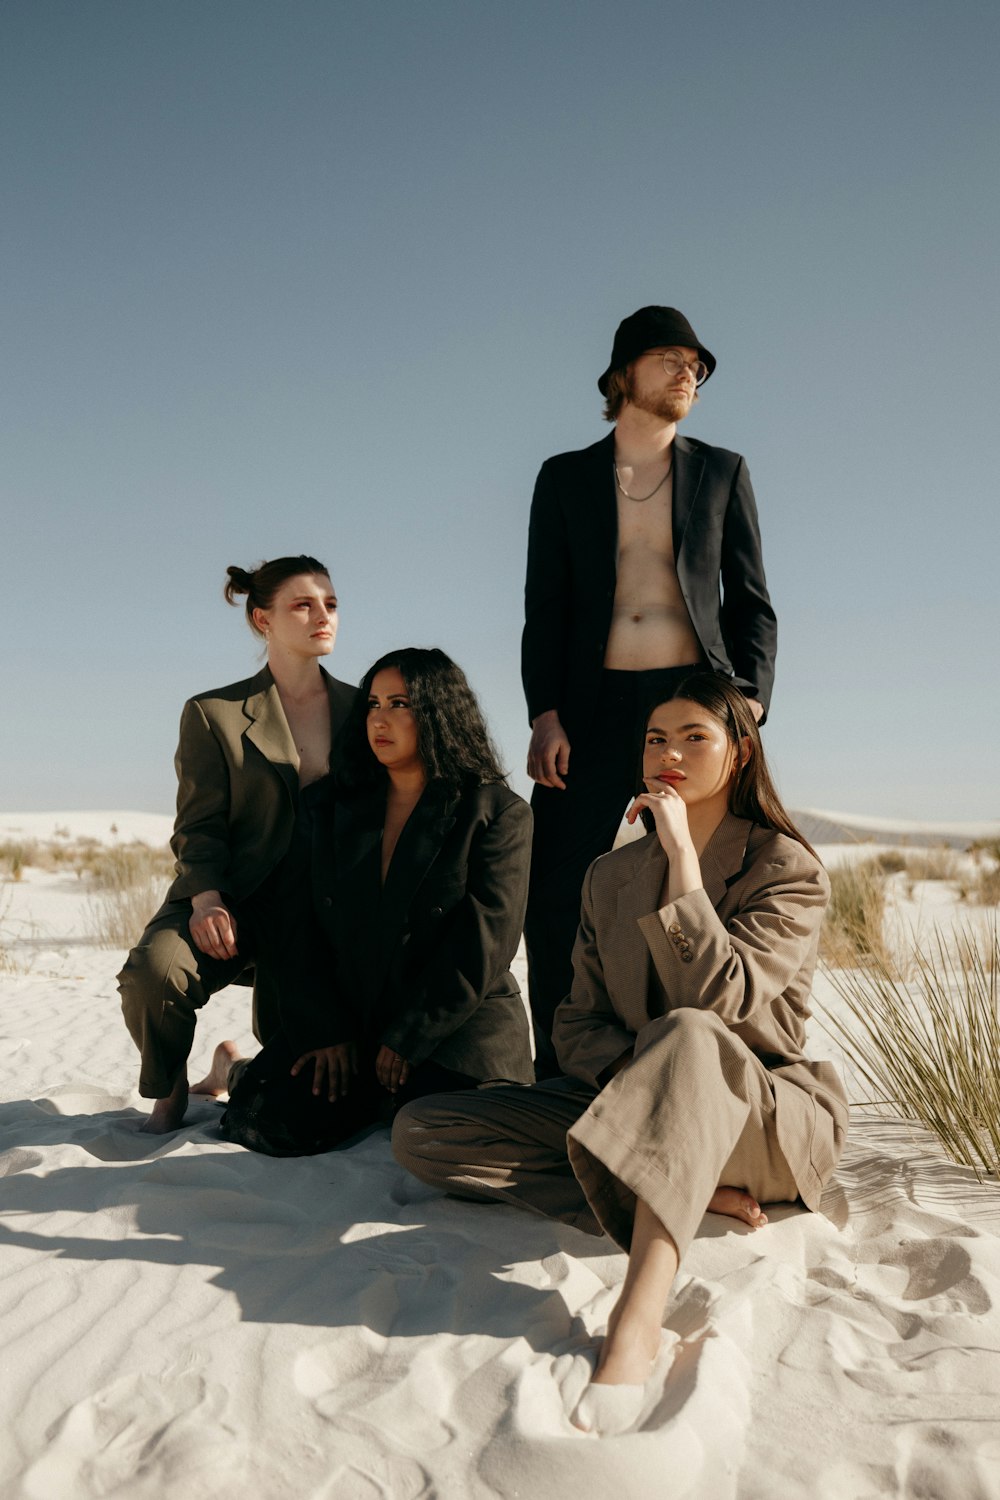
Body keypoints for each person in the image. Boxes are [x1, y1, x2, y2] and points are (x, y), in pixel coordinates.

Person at [393, 672, 847, 1436]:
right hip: (628, 1097)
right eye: (655, 739)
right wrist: (642, 1084)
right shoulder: (609, 876)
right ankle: (676, 1183)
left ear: (738, 754)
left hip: (762, 1121)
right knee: (424, 1132)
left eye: (693, 737)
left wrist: (682, 865)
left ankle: (636, 1322)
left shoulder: (787, 868)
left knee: (690, 1034)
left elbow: (720, 1002)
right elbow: (575, 1024)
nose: (669, 753)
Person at [522, 305, 778, 1074]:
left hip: (693, 703)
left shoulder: (723, 471)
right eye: (671, 358)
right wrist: (544, 713)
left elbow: (752, 600)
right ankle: (559, 1074)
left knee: (711, 877)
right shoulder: (564, 477)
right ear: (622, 373)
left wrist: (751, 702)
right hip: (590, 708)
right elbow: (546, 606)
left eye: (696, 365)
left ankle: (715, 1070)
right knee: (557, 890)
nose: (688, 373)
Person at [199, 647, 535, 1155]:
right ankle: (236, 1068)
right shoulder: (328, 805)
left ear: (438, 713)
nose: (380, 719)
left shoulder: (496, 813)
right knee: (269, 1122)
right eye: (374, 703)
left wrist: (409, 1036)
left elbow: (484, 943)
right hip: (348, 1024)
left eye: (399, 704)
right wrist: (325, 1030)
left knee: (445, 1136)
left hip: (451, 1024)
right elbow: (296, 926)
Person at [118, 555, 357, 1133]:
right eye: (302, 604)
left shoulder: (363, 710)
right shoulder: (214, 714)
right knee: (155, 971)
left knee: (303, 1078)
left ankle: (234, 1065)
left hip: (323, 914)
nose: (321, 616)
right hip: (234, 895)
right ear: (262, 620)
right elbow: (198, 825)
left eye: (330, 603)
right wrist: (205, 900)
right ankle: (170, 1088)